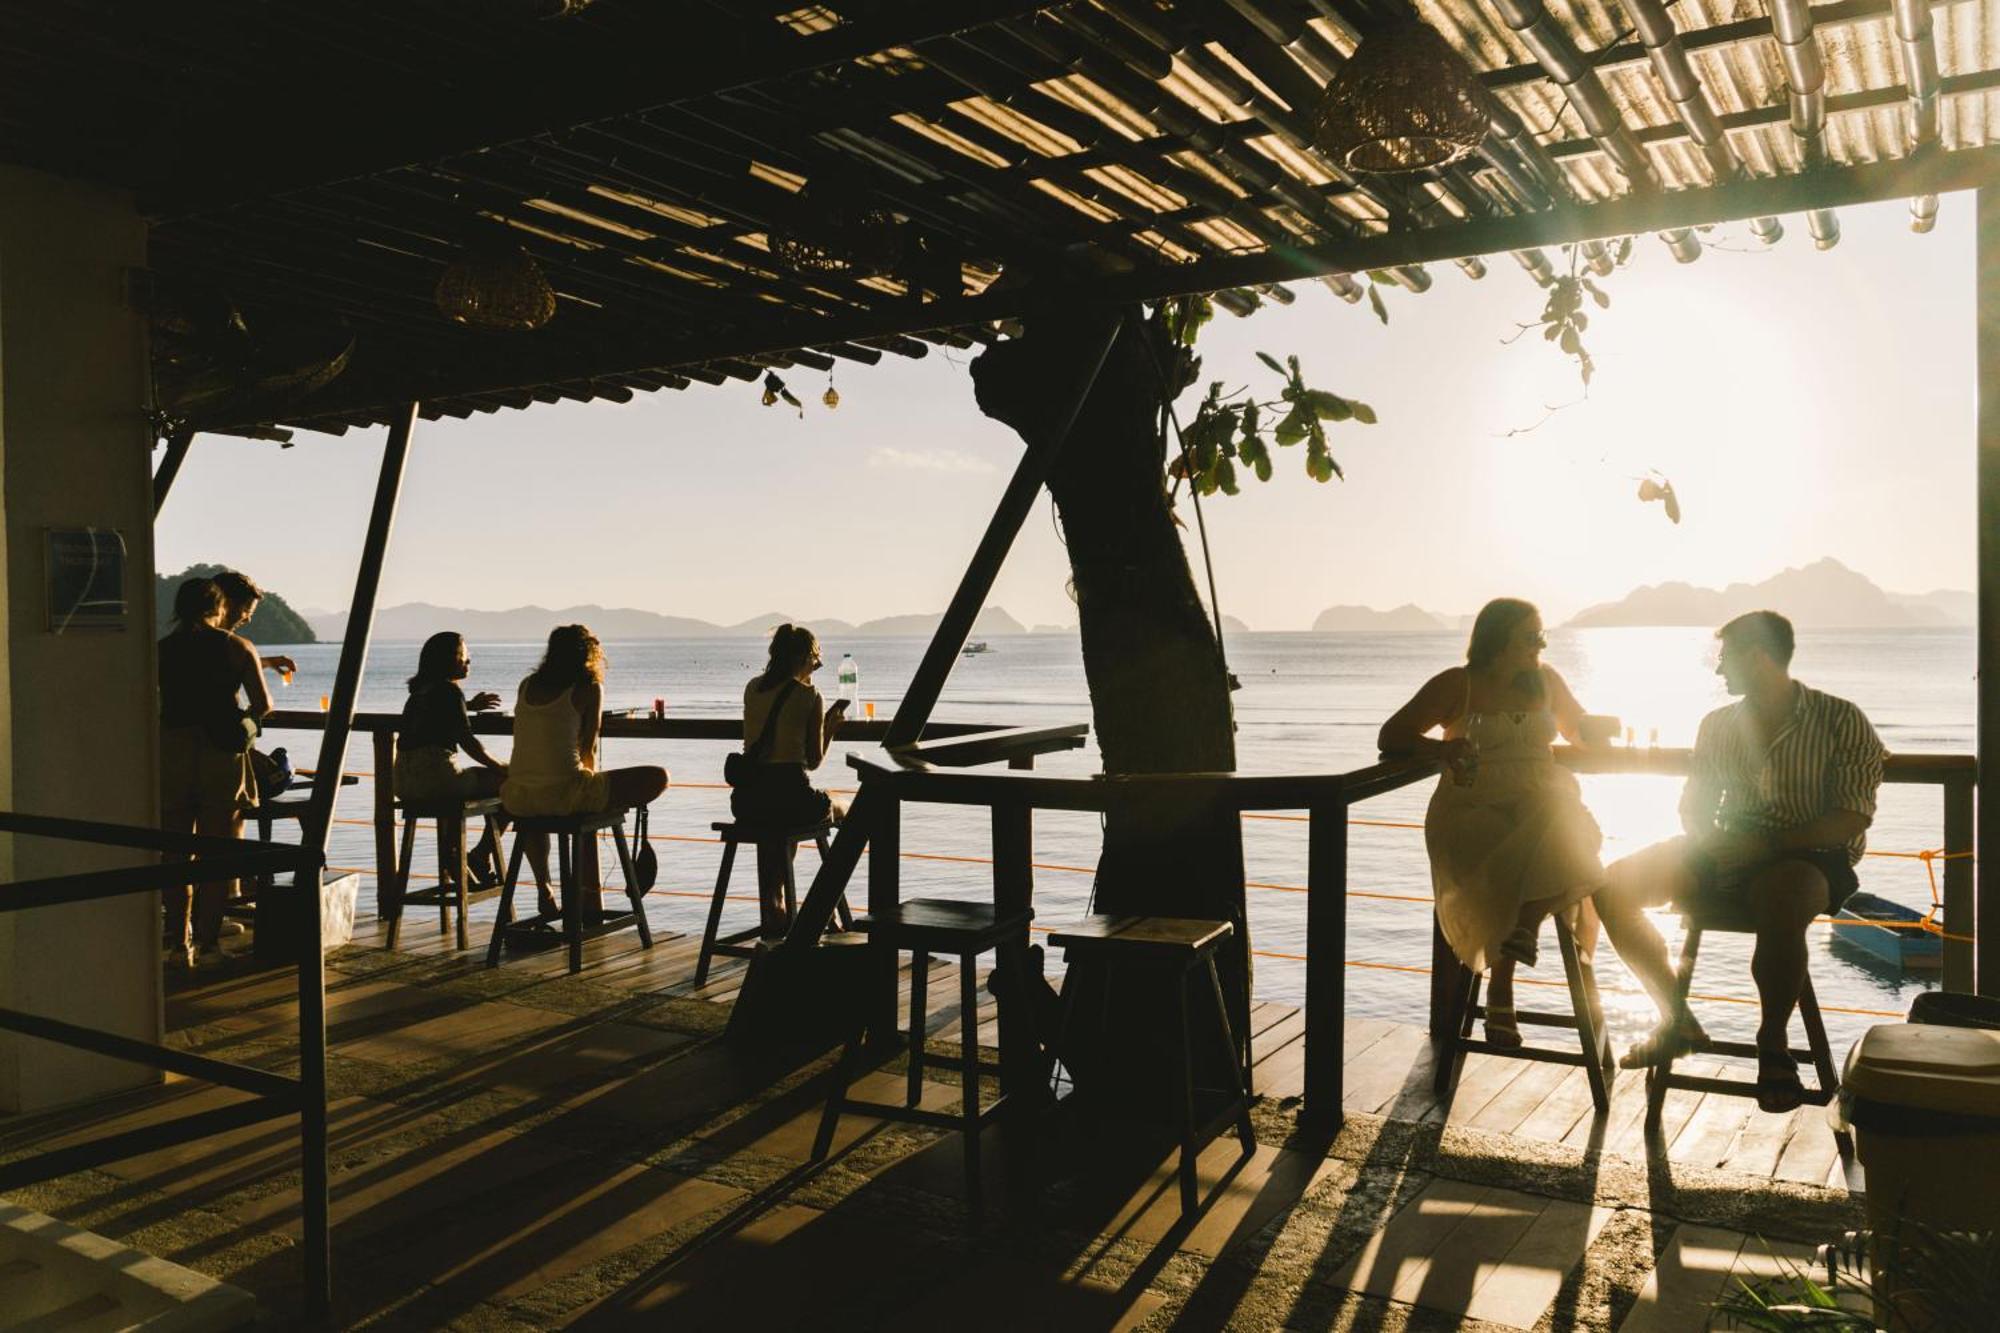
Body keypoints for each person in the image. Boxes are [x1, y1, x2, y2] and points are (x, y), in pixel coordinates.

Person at [1596, 610, 1885, 1112]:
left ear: (1756, 657)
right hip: (1730, 848)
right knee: (1612, 885)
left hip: (1813, 857)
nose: (1718, 671)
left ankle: (1771, 1042)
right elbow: (1695, 805)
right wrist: (1710, 842)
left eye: (1725, 657)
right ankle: (1677, 1018)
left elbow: (1851, 817)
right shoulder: (1718, 725)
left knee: (1783, 895)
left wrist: (1769, 846)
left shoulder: (1841, 718)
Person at [1378, 598, 1606, 1048]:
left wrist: (1599, 731)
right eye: (1530, 635)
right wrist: (1442, 750)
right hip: (1472, 811)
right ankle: (1522, 937)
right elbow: (1392, 736)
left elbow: (1578, 730)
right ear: (1497, 638)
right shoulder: (1457, 685)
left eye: (1542, 634)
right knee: (1555, 839)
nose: (1540, 643)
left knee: (1563, 818)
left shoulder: (1547, 681)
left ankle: (1510, 966)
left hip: (1539, 804)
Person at [501, 625, 667, 914]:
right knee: (658, 777)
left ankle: (546, 888)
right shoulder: (589, 687)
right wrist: (589, 781)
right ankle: (590, 897)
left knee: (545, 804)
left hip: (518, 796)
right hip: (565, 795)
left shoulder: (527, 685)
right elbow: (588, 748)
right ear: (589, 653)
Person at [159, 576, 271, 968]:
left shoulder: (160, 650)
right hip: (220, 756)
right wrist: (248, 728)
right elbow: (263, 704)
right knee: (216, 854)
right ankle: (207, 945)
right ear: (218, 607)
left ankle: (178, 943)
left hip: (171, 752)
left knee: (174, 854)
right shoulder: (236, 647)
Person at [734, 625, 850, 936]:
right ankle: (819, 908)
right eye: (816, 661)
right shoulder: (810, 695)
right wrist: (830, 727)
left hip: (750, 801)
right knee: (848, 808)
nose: (816, 668)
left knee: (779, 829)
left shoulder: (752, 688)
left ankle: (776, 906)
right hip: (790, 798)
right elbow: (812, 761)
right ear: (802, 658)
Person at [395, 631, 509, 886]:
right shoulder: (449, 691)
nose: (469, 662)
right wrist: (501, 766)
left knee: (453, 795)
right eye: (464, 657)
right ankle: (479, 855)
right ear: (449, 659)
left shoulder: (419, 693)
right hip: (436, 779)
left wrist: (467, 706)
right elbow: (469, 742)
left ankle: (455, 861)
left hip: (404, 783)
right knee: (510, 786)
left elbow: (438, 713)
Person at [212, 569, 297, 682]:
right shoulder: (225, 644)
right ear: (227, 605)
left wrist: (265, 662)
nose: (248, 619)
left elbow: (222, 666)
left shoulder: (192, 639)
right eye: (247, 611)